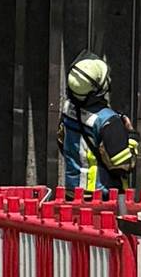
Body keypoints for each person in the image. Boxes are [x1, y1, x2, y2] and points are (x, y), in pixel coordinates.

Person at [57, 54, 136, 192]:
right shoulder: (108, 121)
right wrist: (132, 137)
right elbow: (123, 166)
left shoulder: (67, 108)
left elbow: (62, 142)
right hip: (101, 198)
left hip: (72, 192)